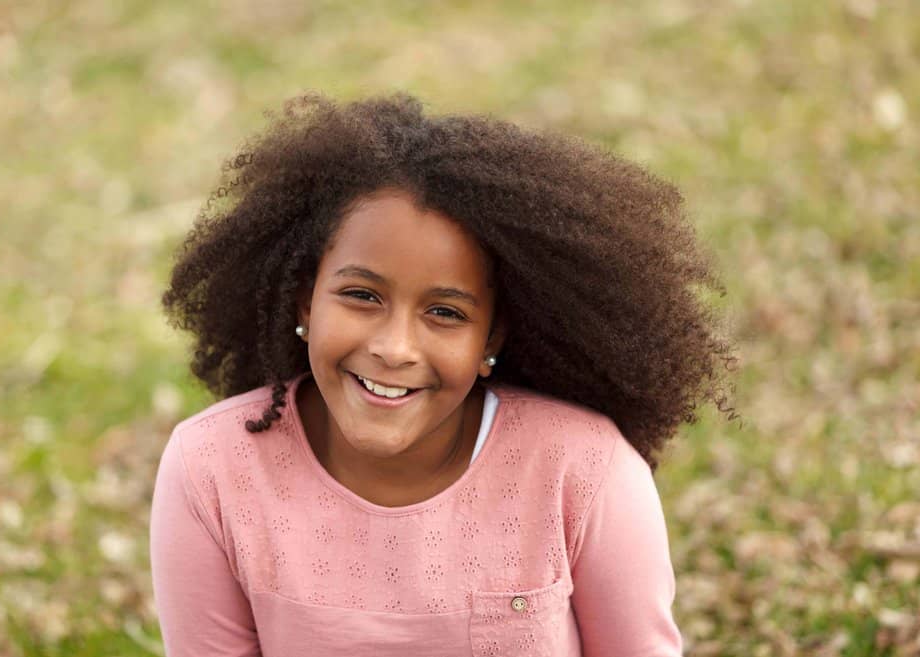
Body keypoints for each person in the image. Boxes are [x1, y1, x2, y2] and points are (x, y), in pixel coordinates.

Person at [150, 92, 738, 656]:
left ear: (492, 338)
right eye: (361, 295)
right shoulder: (212, 470)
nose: (396, 347)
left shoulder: (583, 470)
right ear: (305, 303)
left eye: (445, 313)